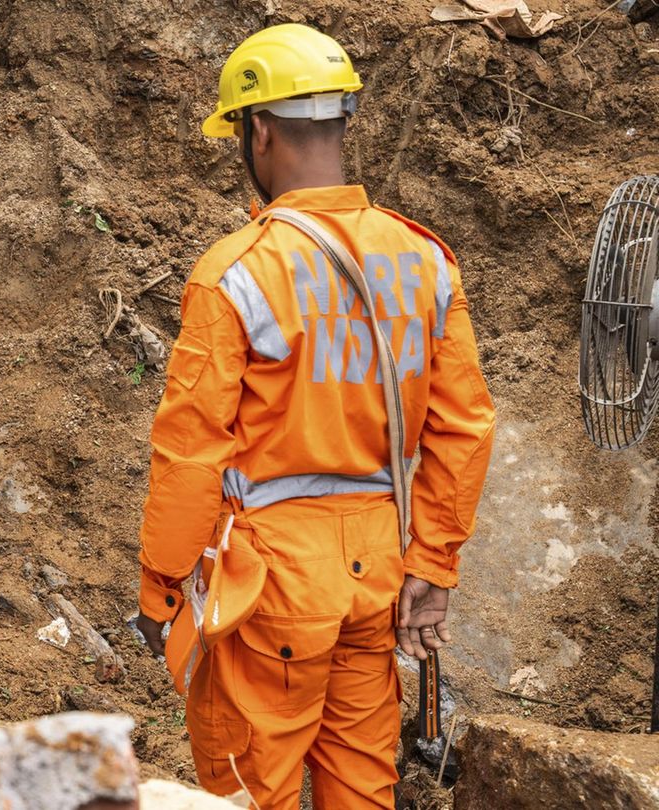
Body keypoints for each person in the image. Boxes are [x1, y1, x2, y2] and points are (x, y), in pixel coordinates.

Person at [133, 23, 496, 809]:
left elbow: (191, 453)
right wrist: (432, 566)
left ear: (258, 128)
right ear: (340, 121)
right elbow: (463, 428)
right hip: (380, 568)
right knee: (363, 785)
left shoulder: (238, 273)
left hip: (270, 580)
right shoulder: (424, 260)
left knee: (245, 789)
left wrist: (162, 593)